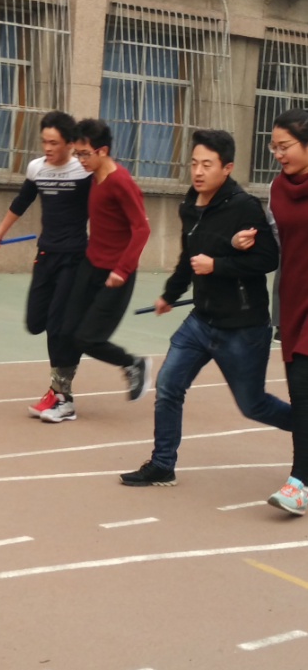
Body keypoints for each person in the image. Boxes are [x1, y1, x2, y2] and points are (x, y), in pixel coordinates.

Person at [120, 129, 291, 487]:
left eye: (207, 165)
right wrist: (170, 294)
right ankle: (162, 464)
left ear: (226, 168)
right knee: (168, 385)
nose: (198, 172)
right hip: (201, 321)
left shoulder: (244, 207)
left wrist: (218, 264)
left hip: (243, 327)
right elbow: (189, 255)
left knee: (253, 405)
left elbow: (267, 259)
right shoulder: (189, 204)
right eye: (194, 163)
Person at [37, 117, 152, 423]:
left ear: (102, 151)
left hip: (116, 274)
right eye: (77, 153)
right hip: (90, 266)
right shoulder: (92, 179)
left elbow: (142, 229)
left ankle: (133, 364)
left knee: (88, 338)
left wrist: (122, 269)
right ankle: (63, 400)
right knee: (65, 331)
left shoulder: (121, 182)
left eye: (85, 154)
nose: (80, 160)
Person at [0, 111, 92, 418]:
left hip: (75, 257)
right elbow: (21, 201)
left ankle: (62, 395)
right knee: (36, 323)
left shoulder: (83, 171)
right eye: (44, 141)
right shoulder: (37, 168)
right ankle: (69, 349)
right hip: (46, 255)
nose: (47, 148)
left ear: (70, 144)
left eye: (54, 143)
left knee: (58, 326)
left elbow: (107, 201)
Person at [234, 109, 308, 515]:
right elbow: (276, 240)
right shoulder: (278, 187)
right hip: (294, 298)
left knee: (304, 387)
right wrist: (248, 241)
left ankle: (299, 482)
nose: (277, 154)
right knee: (300, 390)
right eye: (273, 146)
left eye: (285, 146)